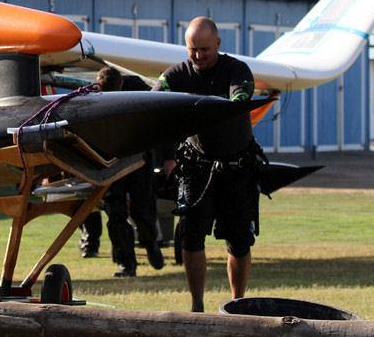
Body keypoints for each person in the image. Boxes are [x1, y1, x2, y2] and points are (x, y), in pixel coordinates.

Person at [154, 16, 264, 312]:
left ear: (217, 43)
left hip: (237, 168)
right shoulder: (176, 75)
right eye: (193, 50)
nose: (199, 56)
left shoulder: (237, 70)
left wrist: (232, 103)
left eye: (205, 49)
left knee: (240, 241)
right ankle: (197, 306)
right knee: (191, 237)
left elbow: (241, 95)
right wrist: (166, 156)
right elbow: (153, 107)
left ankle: (237, 303)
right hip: (196, 169)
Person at [79, 67, 165, 277]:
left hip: (138, 157)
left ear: (121, 86)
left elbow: (160, 114)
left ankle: (150, 243)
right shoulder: (92, 95)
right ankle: (126, 263)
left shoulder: (140, 90)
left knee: (142, 210)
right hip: (110, 160)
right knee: (115, 213)